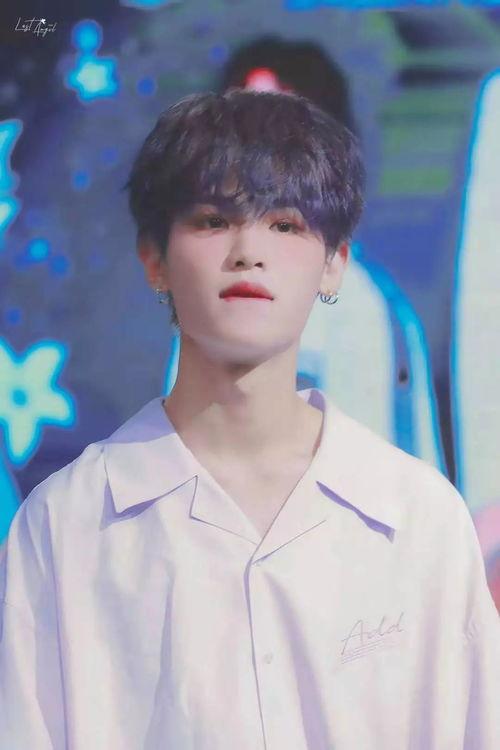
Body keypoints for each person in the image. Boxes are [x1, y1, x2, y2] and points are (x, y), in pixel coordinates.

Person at [1, 88, 499, 750]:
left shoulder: (417, 517)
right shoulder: (66, 524)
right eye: (213, 220)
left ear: (335, 263)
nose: (248, 251)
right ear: (153, 259)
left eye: (285, 225)